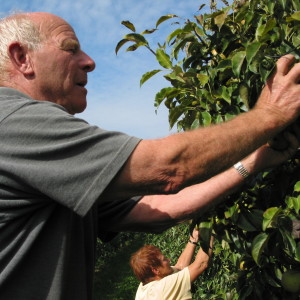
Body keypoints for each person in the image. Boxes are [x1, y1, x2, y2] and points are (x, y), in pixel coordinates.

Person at [0, 11, 300, 300]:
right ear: (22, 58)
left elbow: (161, 207)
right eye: (71, 49)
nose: (89, 62)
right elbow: (168, 168)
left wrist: (257, 159)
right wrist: (270, 115)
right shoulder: (13, 122)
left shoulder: (53, 167)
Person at [130, 228, 214, 300]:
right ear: (155, 270)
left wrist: (193, 239)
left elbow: (179, 268)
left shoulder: (143, 288)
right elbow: (201, 264)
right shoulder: (163, 288)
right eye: (164, 260)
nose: (169, 260)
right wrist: (209, 231)